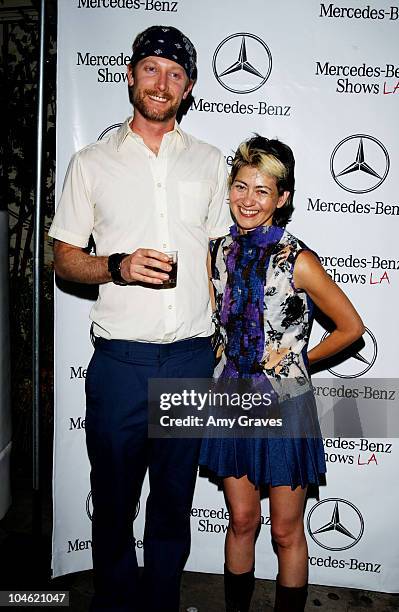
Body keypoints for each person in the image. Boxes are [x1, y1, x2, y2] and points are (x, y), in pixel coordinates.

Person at [49, 25, 231, 612]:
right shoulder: (91, 162)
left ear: (189, 87)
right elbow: (64, 259)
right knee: (114, 500)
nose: (162, 83)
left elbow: (222, 260)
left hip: (188, 359)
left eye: (175, 74)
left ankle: (160, 602)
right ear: (130, 74)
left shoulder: (209, 161)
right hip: (120, 363)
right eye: (151, 69)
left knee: (174, 501)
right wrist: (118, 266)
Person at [199, 135, 365, 612]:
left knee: (286, 530)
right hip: (231, 400)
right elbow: (216, 327)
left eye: (263, 190)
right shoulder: (216, 252)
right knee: (242, 520)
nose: (248, 200)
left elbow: (351, 328)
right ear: (229, 189)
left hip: (285, 405)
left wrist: (299, 362)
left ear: (282, 198)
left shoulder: (298, 259)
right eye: (240, 186)